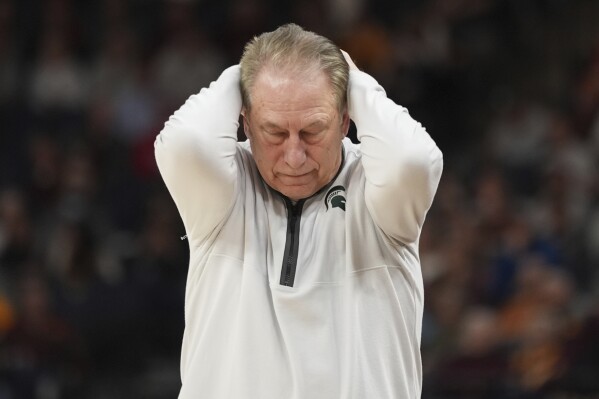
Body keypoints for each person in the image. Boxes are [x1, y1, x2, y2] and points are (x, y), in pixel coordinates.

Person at [155, 23, 443, 399]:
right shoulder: (223, 189)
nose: (294, 156)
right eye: (274, 132)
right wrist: (242, 74)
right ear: (244, 122)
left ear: (344, 121)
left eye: (312, 131)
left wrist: (356, 82)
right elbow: (184, 143)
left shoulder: (377, 189)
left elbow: (415, 160)